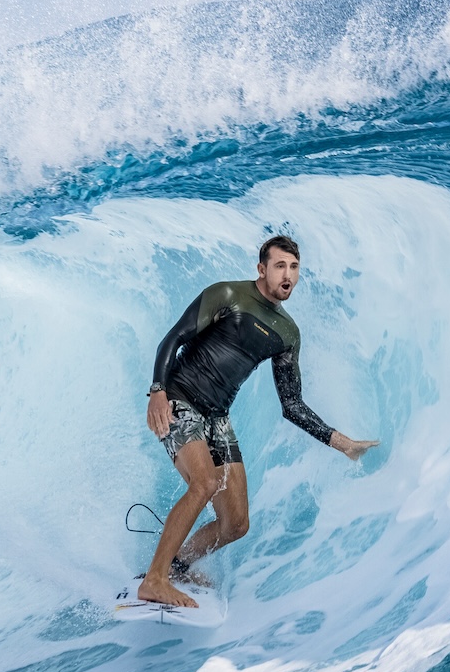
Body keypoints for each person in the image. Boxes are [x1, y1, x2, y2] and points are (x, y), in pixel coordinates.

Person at [139, 235, 377, 607]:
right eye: (280, 266)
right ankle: (154, 580)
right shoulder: (227, 295)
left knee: (236, 524)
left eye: (294, 267)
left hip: (217, 416)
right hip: (180, 398)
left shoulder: (287, 334)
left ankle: (176, 566)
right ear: (261, 269)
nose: (288, 275)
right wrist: (157, 390)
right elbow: (172, 339)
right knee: (204, 483)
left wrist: (343, 443)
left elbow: (292, 405)